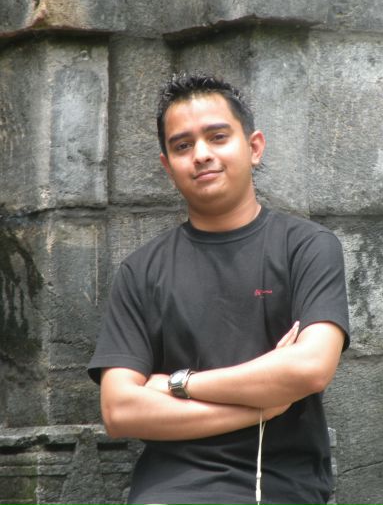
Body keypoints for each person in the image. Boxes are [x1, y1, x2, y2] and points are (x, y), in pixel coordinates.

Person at [88, 73, 350, 505]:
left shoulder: (306, 247)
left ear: (254, 147)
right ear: (167, 166)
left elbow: (309, 369)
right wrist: (264, 403)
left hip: (282, 488)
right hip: (168, 492)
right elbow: (119, 411)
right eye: (182, 145)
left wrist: (178, 383)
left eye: (218, 137)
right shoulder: (141, 271)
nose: (201, 155)